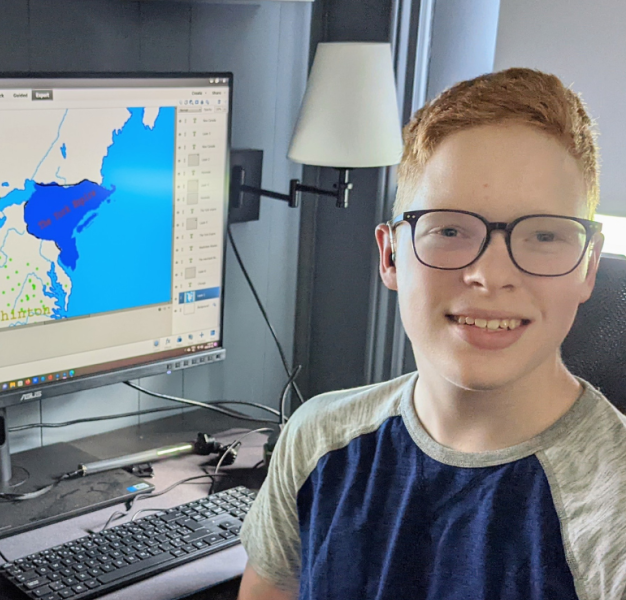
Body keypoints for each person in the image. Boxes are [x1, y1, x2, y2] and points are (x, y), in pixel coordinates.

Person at [237, 67, 626, 600]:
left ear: (587, 267)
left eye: (543, 235)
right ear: (390, 253)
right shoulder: (317, 439)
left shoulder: (614, 512)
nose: (491, 276)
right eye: (449, 229)